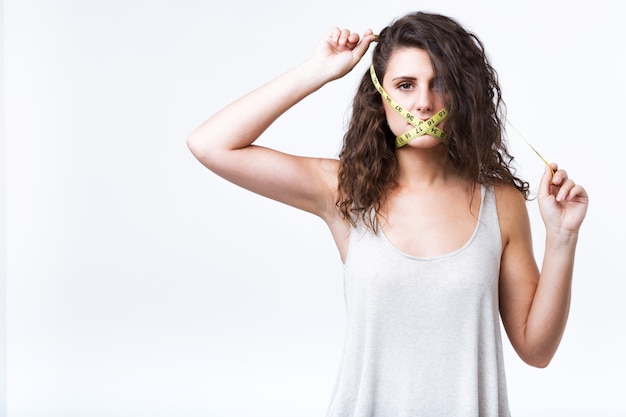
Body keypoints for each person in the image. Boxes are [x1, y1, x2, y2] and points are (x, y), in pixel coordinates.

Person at [187, 11, 588, 417]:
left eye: (441, 83)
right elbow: (211, 145)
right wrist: (317, 71)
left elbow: (536, 351)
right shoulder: (346, 190)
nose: (424, 102)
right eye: (406, 85)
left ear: (463, 93)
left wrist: (562, 237)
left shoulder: (500, 201)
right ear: (381, 95)